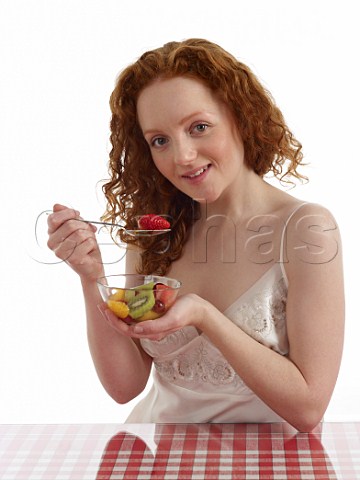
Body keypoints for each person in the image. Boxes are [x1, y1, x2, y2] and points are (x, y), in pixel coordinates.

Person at [47, 38, 345, 432]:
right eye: (160, 141)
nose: (182, 156)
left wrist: (205, 315)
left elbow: (308, 408)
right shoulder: (153, 231)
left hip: (270, 462)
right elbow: (124, 387)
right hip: (162, 458)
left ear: (242, 116)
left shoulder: (306, 230)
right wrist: (91, 276)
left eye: (199, 127)